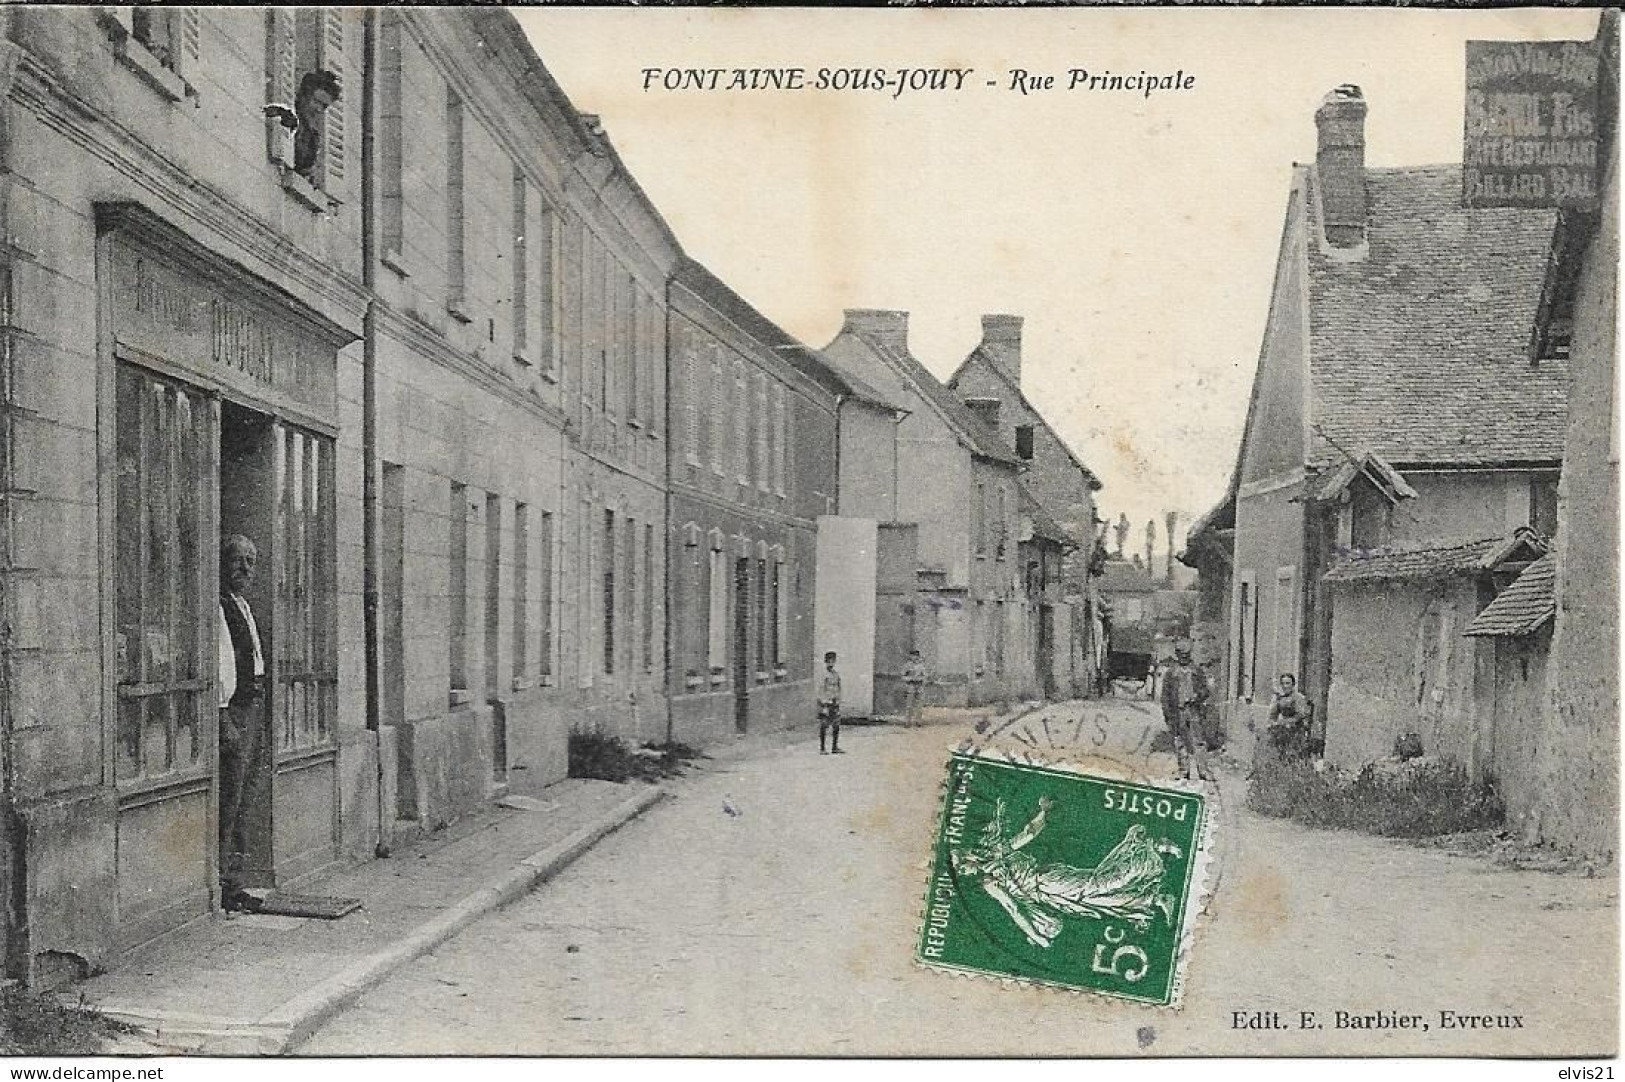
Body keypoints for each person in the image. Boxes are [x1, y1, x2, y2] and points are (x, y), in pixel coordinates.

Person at [218, 534, 267, 913]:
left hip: (253, 709)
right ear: (223, 562)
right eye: (238, 560)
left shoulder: (244, 606)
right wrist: (224, 719)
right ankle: (224, 885)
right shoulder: (219, 606)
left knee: (245, 797)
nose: (245, 569)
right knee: (229, 800)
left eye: (251, 562)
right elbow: (219, 665)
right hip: (233, 712)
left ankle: (236, 882)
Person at [1158, 645, 1213, 781]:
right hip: (1178, 711)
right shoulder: (1171, 674)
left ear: (1190, 654)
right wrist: (1167, 714)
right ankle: (1184, 771)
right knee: (1179, 740)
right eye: (1181, 654)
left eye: (1186, 654)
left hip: (1194, 710)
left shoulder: (1197, 671)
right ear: (1177, 655)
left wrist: (1197, 696)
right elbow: (1165, 696)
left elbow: (1206, 691)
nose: (1184, 657)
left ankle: (1203, 771)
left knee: (1199, 741)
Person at [1266, 673, 1314, 759]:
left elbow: (1300, 715)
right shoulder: (1280, 698)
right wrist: (1272, 722)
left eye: (1287, 683)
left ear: (1293, 685)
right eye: (1283, 683)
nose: (1285, 686)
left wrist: (1284, 722)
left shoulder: (1298, 697)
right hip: (1283, 729)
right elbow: (1273, 714)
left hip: (1296, 729)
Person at [818, 651, 843, 754]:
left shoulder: (836, 674)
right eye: (829, 661)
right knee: (824, 725)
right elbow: (820, 689)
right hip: (826, 702)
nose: (831, 663)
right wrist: (823, 702)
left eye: (833, 661)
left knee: (836, 724)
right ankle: (823, 748)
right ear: (826, 662)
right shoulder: (824, 675)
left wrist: (838, 700)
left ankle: (834, 747)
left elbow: (838, 687)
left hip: (834, 702)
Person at [901, 649, 927, 728]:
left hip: (919, 686)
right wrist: (910, 679)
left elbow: (925, 675)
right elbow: (902, 676)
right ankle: (907, 722)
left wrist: (922, 679)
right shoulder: (907, 665)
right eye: (912, 656)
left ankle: (918, 721)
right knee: (909, 704)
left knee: (919, 704)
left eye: (916, 656)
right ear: (910, 656)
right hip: (911, 685)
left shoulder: (921, 665)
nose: (914, 657)